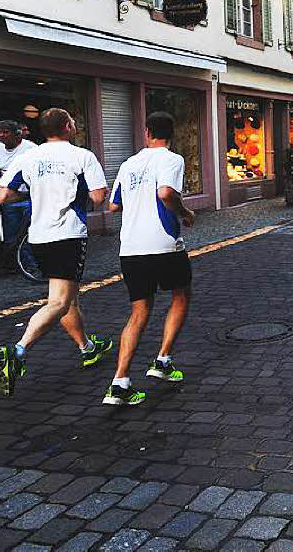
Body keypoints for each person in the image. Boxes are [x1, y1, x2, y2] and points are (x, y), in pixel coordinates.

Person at [0, 108, 113, 396]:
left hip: (38, 236)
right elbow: (98, 196)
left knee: (66, 296)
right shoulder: (82, 156)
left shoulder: (27, 157)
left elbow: (1, 195)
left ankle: (87, 347)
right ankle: (18, 351)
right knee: (59, 302)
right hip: (67, 234)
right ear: (69, 126)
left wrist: (34, 193)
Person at [104, 112, 196, 406]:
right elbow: (166, 192)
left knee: (139, 312)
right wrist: (184, 213)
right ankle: (163, 360)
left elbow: (113, 205)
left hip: (131, 247)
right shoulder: (172, 159)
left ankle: (120, 382)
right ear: (172, 134)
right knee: (181, 296)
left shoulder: (129, 163)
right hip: (164, 244)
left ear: (146, 133)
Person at [0, 119, 37, 246]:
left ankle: (30, 263)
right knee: (10, 232)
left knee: (29, 232)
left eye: (6, 132)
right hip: (8, 196)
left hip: (28, 196)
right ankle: (12, 261)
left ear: (17, 134)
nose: (1, 135)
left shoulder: (31, 148)